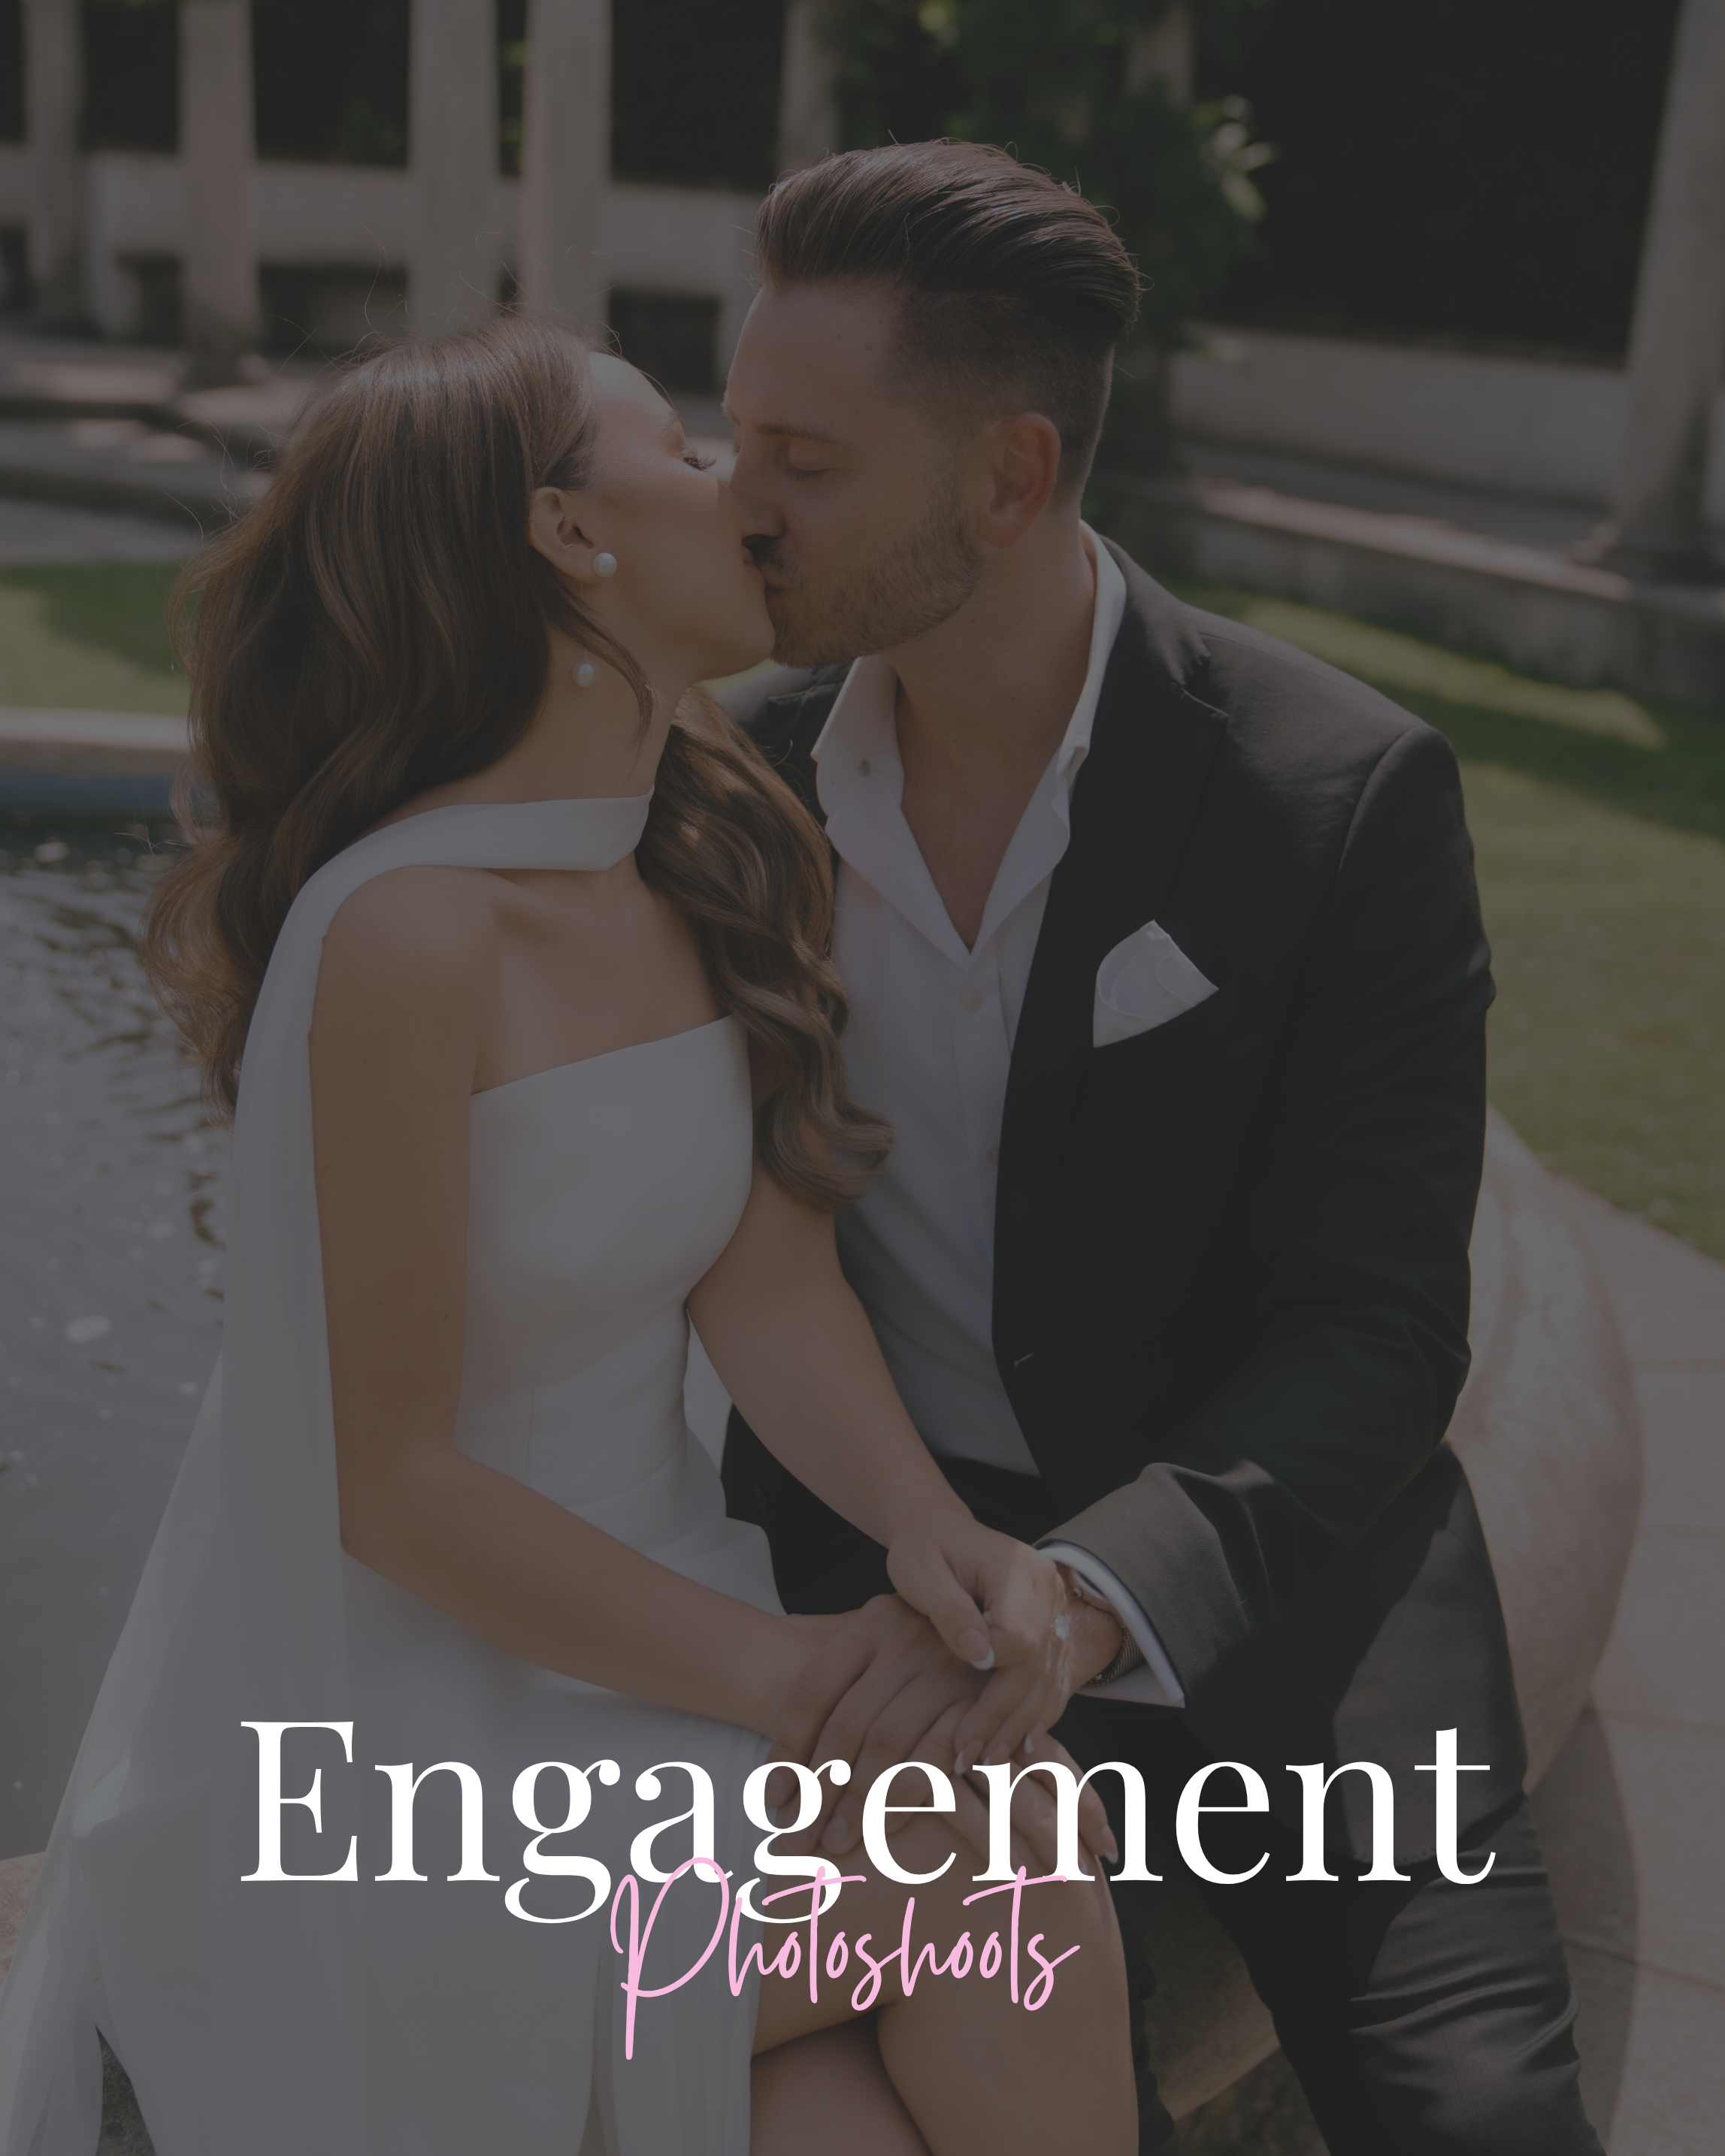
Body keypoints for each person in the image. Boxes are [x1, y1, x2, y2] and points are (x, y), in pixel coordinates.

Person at [0, 318, 1137, 2156]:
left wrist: (936, 1538)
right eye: (686, 454)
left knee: (844, 2124)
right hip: (414, 1733)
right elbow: (396, 1487)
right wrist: (805, 1692)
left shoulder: (697, 850)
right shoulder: (405, 936)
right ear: (566, 535)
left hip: (662, 1665)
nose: (742, 492)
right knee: (1003, 1844)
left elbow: (763, 1281)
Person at [716, 141, 1606, 2155]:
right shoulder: (729, 787)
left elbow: (1376, 1323)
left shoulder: (1336, 792)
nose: (732, 499)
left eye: (802, 457)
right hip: (872, 1596)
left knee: (1473, 2122)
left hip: (1279, 1581)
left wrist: (1093, 1589)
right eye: (727, 433)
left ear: (1007, 479)